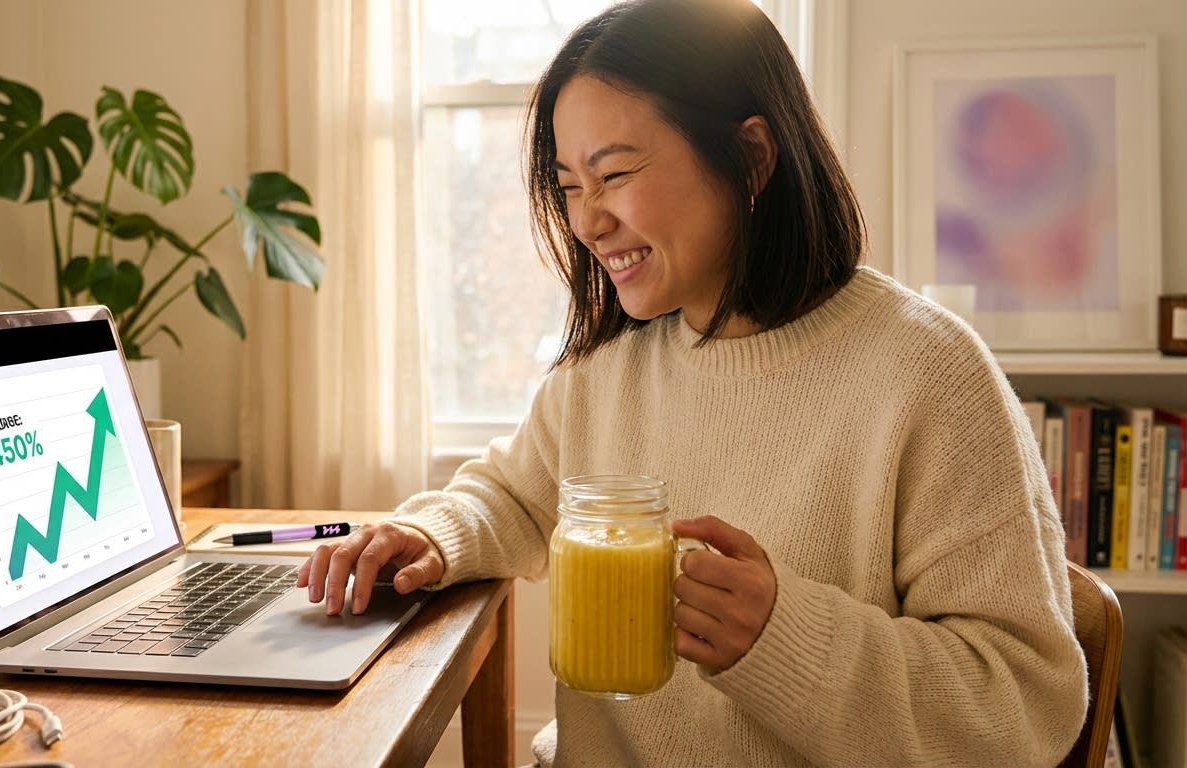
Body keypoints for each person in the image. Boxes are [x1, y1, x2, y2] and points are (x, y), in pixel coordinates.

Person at [297, 0, 1089, 764]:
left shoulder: (928, 375)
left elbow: (1024, 707)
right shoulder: (607, 364)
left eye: (614, 175)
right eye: (570, 185)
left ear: (749, 158)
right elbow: (512, 494)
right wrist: (431, 535)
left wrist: (786, 635)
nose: (586, 221)